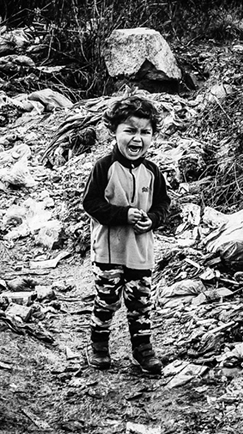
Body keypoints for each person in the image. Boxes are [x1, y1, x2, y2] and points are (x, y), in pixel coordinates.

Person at [82, 95, 170, 375]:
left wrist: (152, 220)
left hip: (140, 252)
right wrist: (122, 215)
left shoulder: (152, 172)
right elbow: (90, 203)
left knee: (140, 304)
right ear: (114, 131)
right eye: (130, 130)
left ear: (152, 136)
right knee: (106, 301)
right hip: (109, 252)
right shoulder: (104, 167)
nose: (137, 138)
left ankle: (142, 350)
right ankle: (98, 346)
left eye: (145, 132)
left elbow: (163, 205)